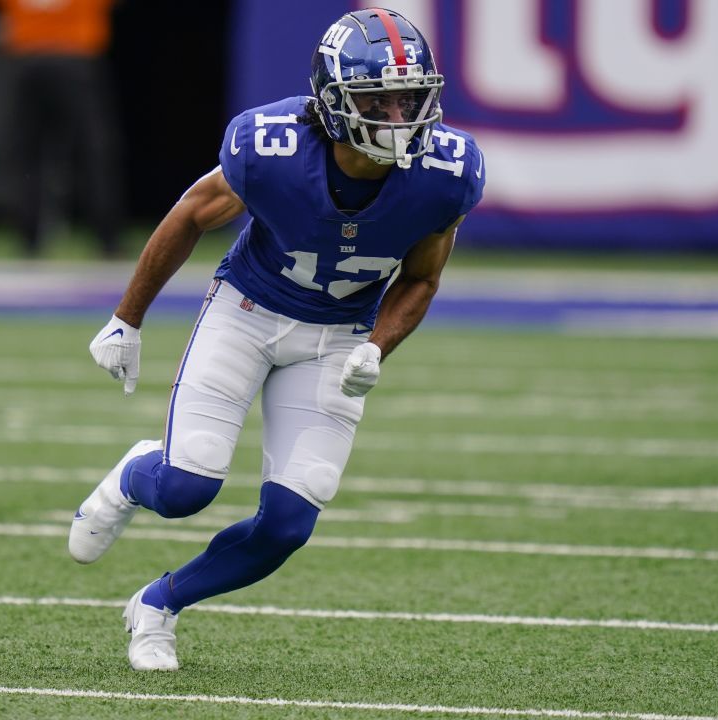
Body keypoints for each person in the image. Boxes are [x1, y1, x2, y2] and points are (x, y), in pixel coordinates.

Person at [69, 7, 485, 671]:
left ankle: (159, 604)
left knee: (290, 522)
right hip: (248, 312)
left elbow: (422, 278)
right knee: (185, 487)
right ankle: (130, 478)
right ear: (335, 102)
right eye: (380, 100)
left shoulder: (446, 172)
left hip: (338, 332)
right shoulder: (273, 147)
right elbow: (191, 214)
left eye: (410, 99)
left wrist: (376, 345)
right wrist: (128, 316)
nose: (400, 117)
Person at [0, 0, 125, 258]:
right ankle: (107, 238)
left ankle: (29, 238)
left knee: (29, 151)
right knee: (92, 149)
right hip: (74, 55)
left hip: (29, 57)